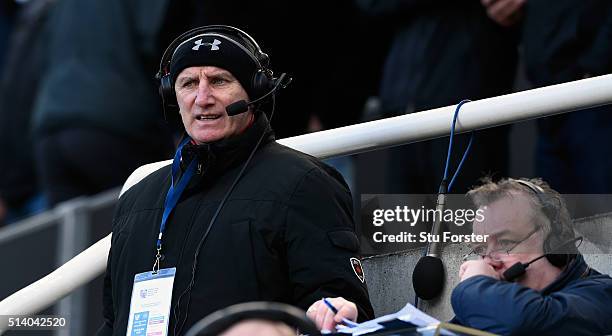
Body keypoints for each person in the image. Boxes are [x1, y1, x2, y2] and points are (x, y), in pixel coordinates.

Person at [97, 25, 373, 336]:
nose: (203, 98)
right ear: (171, 95)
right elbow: (112, 322)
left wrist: (337, 311)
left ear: (254, 91)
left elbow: (342, 310)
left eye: (218, 81)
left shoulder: (305, 182)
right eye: (188, 83)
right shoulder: (138, 197)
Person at [452, 178, 612, 335]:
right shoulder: (490, 307)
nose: (488, 262)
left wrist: (473, 286)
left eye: (505, 242)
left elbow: (522, 324)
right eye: (481, 248)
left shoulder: (602, 295)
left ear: (555, 243)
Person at [521, 0, 612, 193]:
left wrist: (593, 66)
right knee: (551, 214)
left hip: (594, 99)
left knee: (604, 208)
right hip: (546, 104)